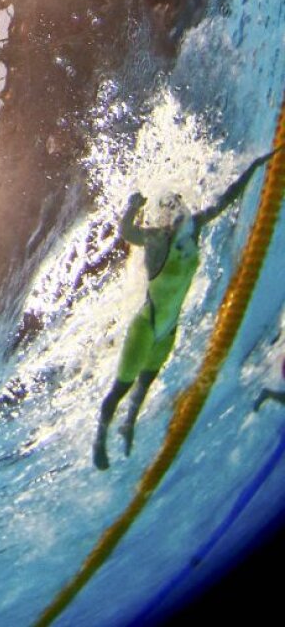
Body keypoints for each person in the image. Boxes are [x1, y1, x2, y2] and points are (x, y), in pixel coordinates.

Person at [94, 148, 279, 469]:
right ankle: (101, 436)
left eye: (177, 207)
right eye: (170, 211)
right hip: (147, 325)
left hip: (168, 330)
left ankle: (129, 425)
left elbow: (228, 197)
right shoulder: (157, 241)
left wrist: (257, 164)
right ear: (163, 217)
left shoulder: (195, 226)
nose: (176, 214)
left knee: (145, 384)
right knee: (120, 389)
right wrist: (132, 207)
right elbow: (126, 233)